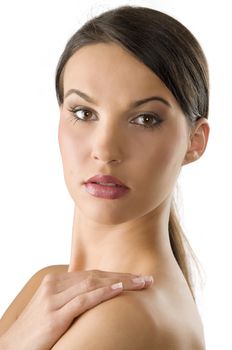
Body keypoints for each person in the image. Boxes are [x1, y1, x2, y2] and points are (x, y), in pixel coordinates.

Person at [0, 5, 210, 350]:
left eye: (145, 119)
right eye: (83, 113)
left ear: (195, 140)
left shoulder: (123, 317)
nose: (105, 149)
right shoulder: (51, 289)